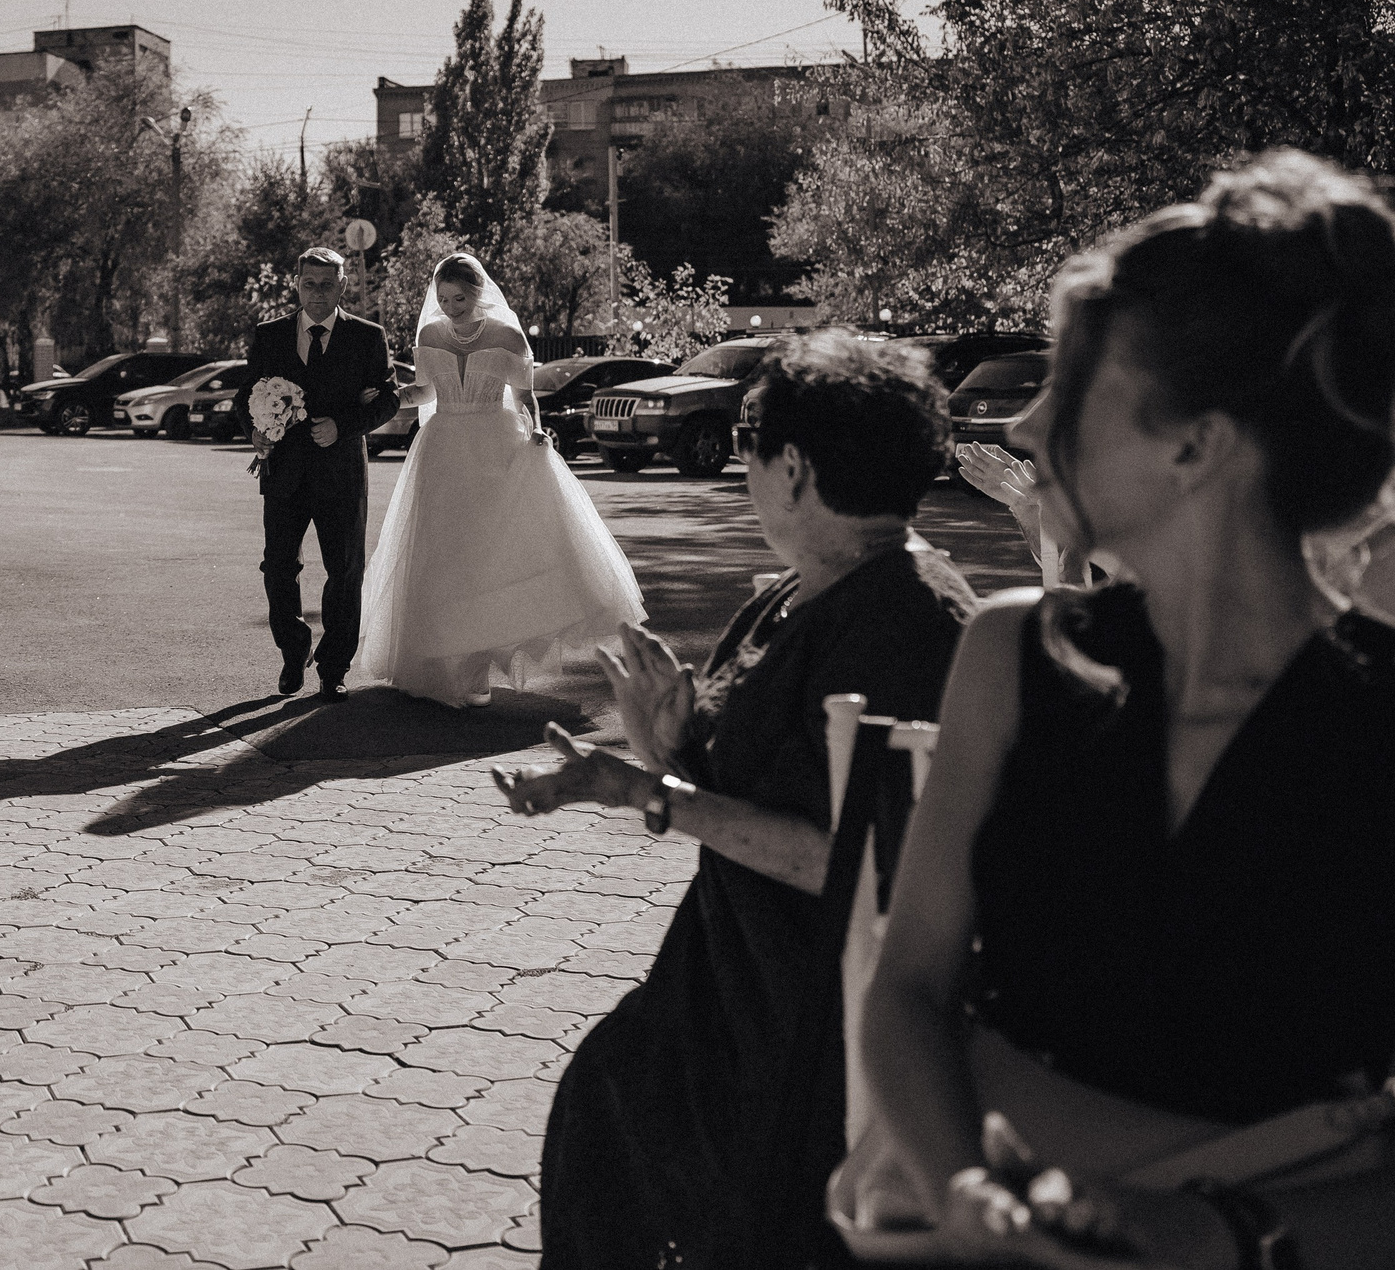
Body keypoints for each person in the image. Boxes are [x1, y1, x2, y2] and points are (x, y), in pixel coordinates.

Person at [843, 151, 1395, 1267]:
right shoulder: (1012, 653)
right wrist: (960, 1190)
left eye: (1071, 383)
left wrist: (1203, 1227)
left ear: (1195, 445)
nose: (1023, 425)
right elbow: (907, 987)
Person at [495, 330, 978, 1268]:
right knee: (607, 1134)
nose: (742, 465)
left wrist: (643, 788)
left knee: (729, 1216)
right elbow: (732, 780)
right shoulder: (797, 594)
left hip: (815, 1023)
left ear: (794, 468)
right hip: (724, 974)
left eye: (751, 444)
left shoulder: (910, 622)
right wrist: (667, 742)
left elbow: (855, 857)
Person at [352, 253, 644, 707]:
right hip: (443, 448)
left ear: (478, 293)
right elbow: (426, 390)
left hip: (495, 444)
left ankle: (478, 662)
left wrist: (538, 427)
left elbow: (524, 396)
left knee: (490, 553)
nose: (450, 306)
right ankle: (446, 663)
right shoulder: (429, 334)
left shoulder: (507, 335)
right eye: (444, 298)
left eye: (460, 298)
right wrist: (394, 396)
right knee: (443, 554)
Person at [244, 247, 401, 701]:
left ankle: (333, 668)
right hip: (284, 473)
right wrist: (255, 429)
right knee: (277, 568)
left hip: (341, 474)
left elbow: (388, 400)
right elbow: (246, 395)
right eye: (309, 284)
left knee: (345, 573)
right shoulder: (269, 335)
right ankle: (293, 653)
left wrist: (344, 426)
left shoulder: (368, 337)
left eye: (327, 285)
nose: (317, 293)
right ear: (296, 284)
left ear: (343, 286)